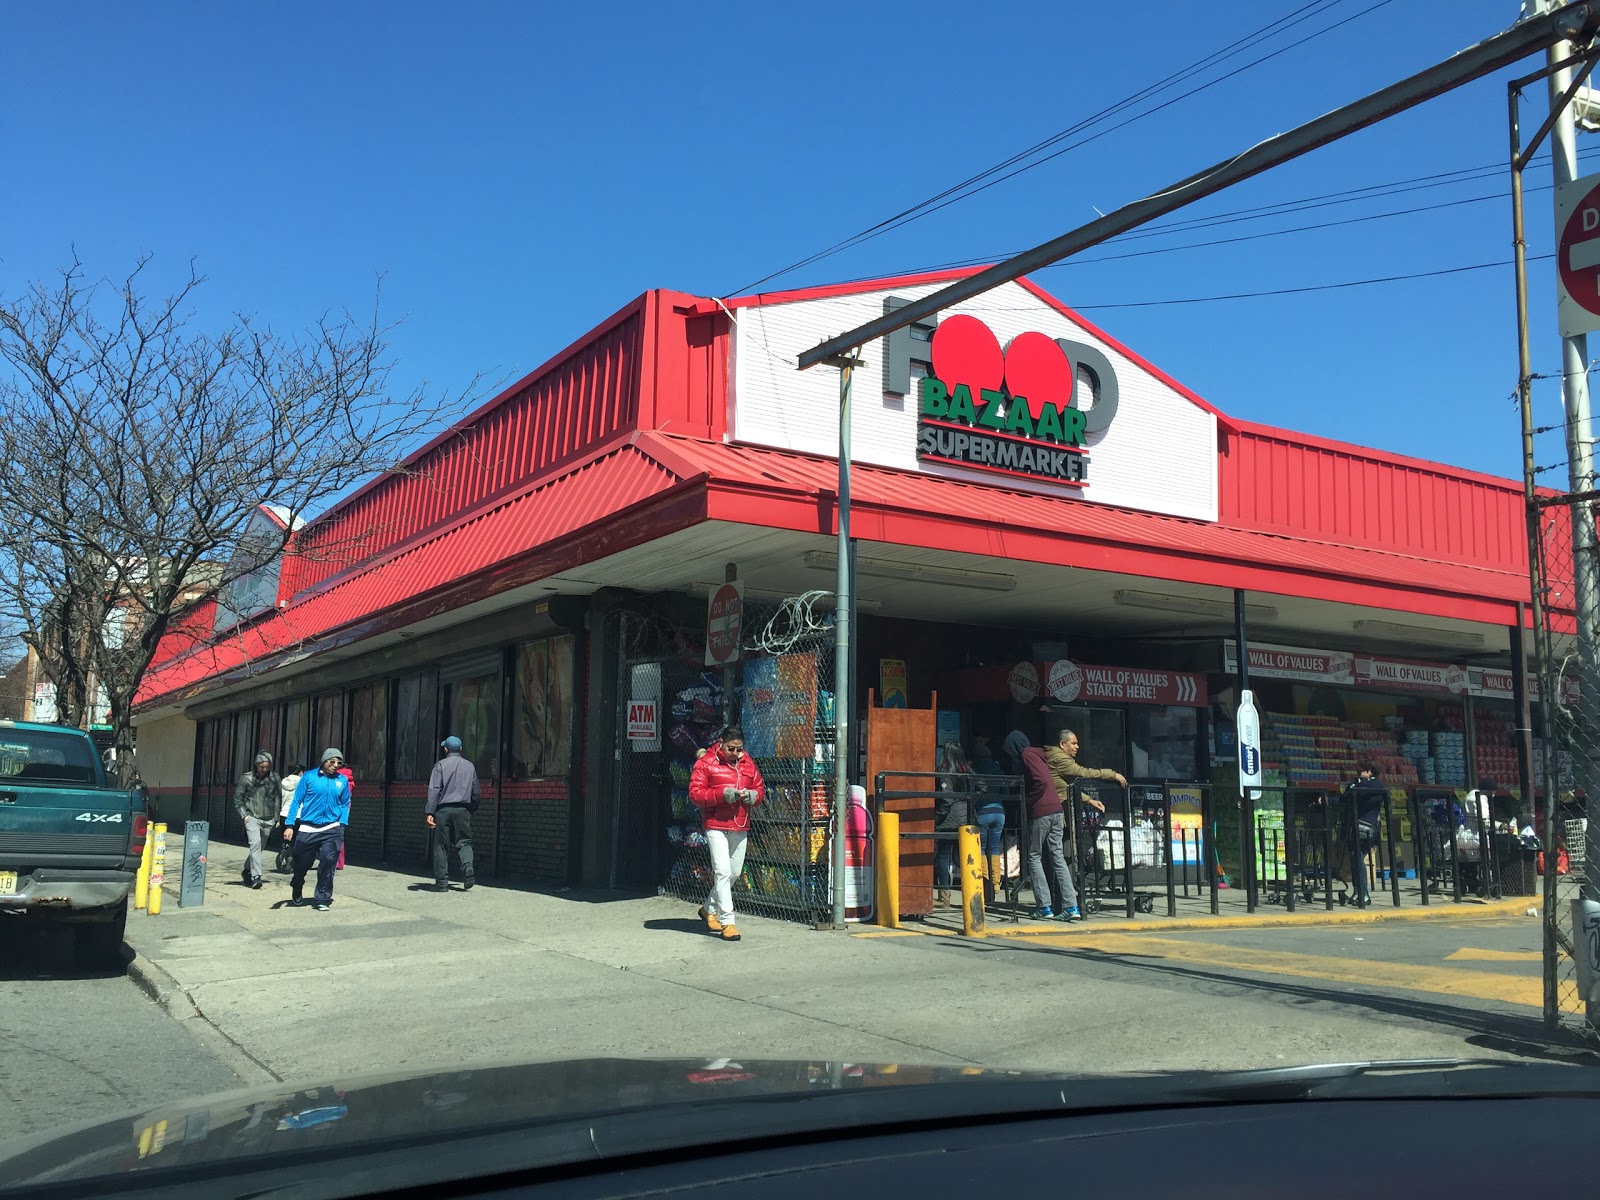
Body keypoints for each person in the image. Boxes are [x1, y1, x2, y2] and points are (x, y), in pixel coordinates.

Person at [688, 724, 765, 942]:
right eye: (731, 748)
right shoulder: (705, 763)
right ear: (721, 743)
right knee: (721, 871)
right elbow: (695, 794)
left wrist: (752, 796)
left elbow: (760, 788)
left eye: (739, 749)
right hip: (715, 823)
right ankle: (728, 922)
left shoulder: (747, 762)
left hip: (740, 822)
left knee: (734, 873)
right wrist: (723, 794)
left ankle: (707, 909)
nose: (735, 753)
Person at [284, 748, 353, 911]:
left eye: (339, 763)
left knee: (328, 862)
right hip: (308, 827)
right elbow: (296, 802)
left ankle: (323, 897)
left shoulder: (342, 780)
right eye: (332, 762)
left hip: (332, 828)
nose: (335, 765)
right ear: (324, 761)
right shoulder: (309, 777)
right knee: (302, 863)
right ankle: (297, 883)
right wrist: (289, 825)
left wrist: (342, 824)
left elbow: (345, 804)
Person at [426, 736, 481, 892]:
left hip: (443, 810)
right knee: (464, 842)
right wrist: (472, 808)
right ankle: (468, 868)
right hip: (463, 810)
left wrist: (430, 811)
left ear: (445, 749)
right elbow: (476, 791)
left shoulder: (440, 765)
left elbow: (434, 789)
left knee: (441, 846)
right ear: (461, 749)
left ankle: (442, 884)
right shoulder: (470, 766)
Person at [934, 742, 975, 908]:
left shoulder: (945, 770)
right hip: (967, 817)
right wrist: (968, 801)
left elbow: (946, 798)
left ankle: (944, 897)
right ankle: (972, 894)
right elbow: (982, 786)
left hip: (949, 820)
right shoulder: (966, 769)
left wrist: (937, 818)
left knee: (943, 855)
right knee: (964, 857)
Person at [234, 751, 281, 890]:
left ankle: (247, 869)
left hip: (268, 817)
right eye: (262, 767)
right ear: (256, 765)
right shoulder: (246, 778)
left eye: (267, 766)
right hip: (252, 816)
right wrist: (244, 815)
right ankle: (256, 876)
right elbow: (238, 798)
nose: (264, 769)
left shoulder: (274, 778)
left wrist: (276, 817)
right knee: (255, 844)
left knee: (261, 846)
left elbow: (278, 798)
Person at [969, 738, 1008, 904]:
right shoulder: (998, 769)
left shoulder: (973, 769)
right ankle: (996, 884)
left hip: (983, 811)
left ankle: (984, 884)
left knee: (981, 849)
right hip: (999, 812)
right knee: (994, 849)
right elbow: (1005, 791)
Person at [1344, 762, 1387, 906]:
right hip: (1356, 827)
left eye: (1362, 771)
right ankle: (1359, 891)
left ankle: (1363, 894)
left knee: (1357, 858)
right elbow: (1345, 797)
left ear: (1369, 772)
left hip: (1366, 828)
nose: (1359, 775)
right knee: (1355, 859)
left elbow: (1363, 790)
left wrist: (1360, 782)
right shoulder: (1359, 785)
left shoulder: (1375, 785)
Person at [276, 765, 302, 874]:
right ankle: (292, 860)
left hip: (284, 814)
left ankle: (286, 855)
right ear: (300, 772)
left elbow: (280, 800)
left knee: (286, 839)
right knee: (297, 840)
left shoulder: (283, 783)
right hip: (299, 815)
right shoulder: (302, 782)